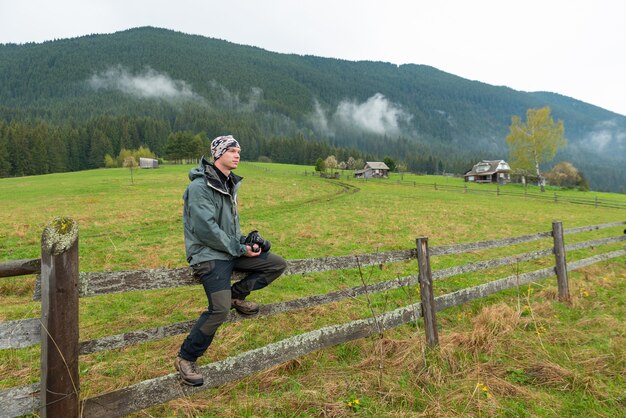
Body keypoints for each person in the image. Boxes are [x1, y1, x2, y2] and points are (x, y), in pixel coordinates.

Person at [175, 135, 287, 386]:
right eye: (232, 150)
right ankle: (186, 357)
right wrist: (238, 248)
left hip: (229, 250)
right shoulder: (200, 187)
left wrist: (247, 242)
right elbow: (206, 229)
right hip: (208, 254)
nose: (238, 155)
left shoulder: (228, 184)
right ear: (218, 154)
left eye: (239, 151)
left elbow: (227, 227)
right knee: (219, 309)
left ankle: (237, 294)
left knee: (276, 264)